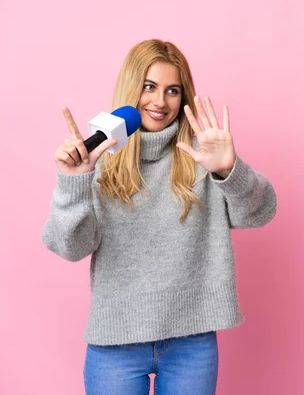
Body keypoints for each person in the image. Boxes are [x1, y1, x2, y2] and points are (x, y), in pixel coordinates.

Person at [41, 39, 277, 395]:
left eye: (172, 91)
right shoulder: (98, 161)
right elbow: (69, 247)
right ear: (130, 89)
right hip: (115, 343)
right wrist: (73, 182)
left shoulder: (202, 155)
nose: (159, 101)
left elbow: (261, 212)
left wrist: (229, 169)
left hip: (191, 342)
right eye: (149, 87)